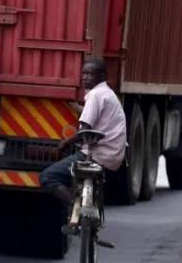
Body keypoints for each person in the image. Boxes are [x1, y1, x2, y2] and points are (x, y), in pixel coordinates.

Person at [39, 58, 126, 207]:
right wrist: (75, 106)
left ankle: (76, 204)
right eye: (83, 73)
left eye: (89, 74)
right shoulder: (108, 94)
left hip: (97, 155)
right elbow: (93, 114)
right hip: (113, 157)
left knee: (47, 177)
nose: (84, 77)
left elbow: (84, 130)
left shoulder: (95, 95)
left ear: (102, 76)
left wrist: (64, 143)